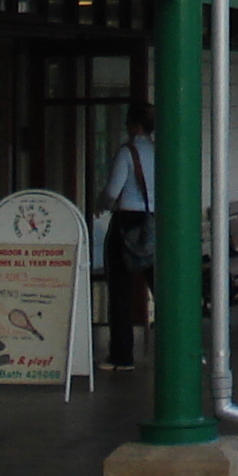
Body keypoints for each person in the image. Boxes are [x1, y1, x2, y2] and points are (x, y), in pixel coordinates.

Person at [98, 105, 157, 370]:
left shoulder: (127, 152)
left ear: (134, 125)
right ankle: (175, 350)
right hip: (154, 223)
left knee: (120, 290)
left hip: (127, 222)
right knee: (159, 286)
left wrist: (100, 204)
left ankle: (122, 355)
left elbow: (113, 189)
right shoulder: (160, 151)